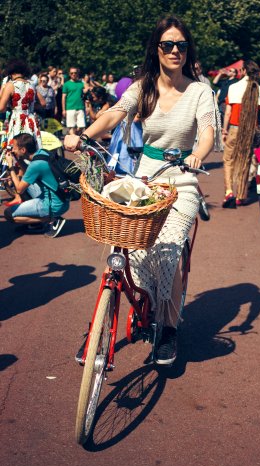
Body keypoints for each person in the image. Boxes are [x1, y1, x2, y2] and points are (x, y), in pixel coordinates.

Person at [65, 15, 221, 365]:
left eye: (181, 45)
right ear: (157, 49)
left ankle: (167, 329)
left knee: (168, 249)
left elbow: (209, 131)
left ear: (187, 49)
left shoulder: (200, 90)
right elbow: (113, 114)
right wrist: (85, 136)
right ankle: (100, 325)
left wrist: (197, 154)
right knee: (122, 246)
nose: (175, 50)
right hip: (145, 177)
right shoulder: (143, 86)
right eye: (168, 44)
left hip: (181, 176)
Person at [221, 60, 260, 207]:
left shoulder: (233, 87)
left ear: (243, 71)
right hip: (250, 130)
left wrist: (224, 130)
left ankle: (229, 191)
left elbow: (227, 113)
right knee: (245, 161)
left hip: (234, 128)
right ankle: (241, 195)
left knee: (228, 160)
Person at [3, 133, 69, 237]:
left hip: (53, 205)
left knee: (9, 214)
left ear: (23, 150)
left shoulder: (35, 165)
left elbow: (19, 189)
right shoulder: (42, 153)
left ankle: (53, 219)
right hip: (60, 197)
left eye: (15, 148)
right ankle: (36, 222)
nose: (13, 150)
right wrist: (19, 160)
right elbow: (27, 174)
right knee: (22, 181)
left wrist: (11, 166)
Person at [0, 59, 43, 206]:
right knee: (28, 157)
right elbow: (41, 103)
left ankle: (20, 195)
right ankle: (26, 193)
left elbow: (1, 108)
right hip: (31, 121)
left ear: (11, 72)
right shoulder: (31, 84)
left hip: (18, 121)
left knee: (15, 156)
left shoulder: (10, 85)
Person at [62, 68, 85, 135]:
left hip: (80, 107)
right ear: (69, 74)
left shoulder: (81, 84)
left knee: (81, 126)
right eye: (72, 73)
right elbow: (63, 97)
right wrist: (64, 109)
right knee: (71, 126)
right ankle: (73, 140)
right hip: (70, 107)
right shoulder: (66, 84)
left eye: (75, 73)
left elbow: (85, 94)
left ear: (77, 74)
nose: (73, 74)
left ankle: (76, 138)